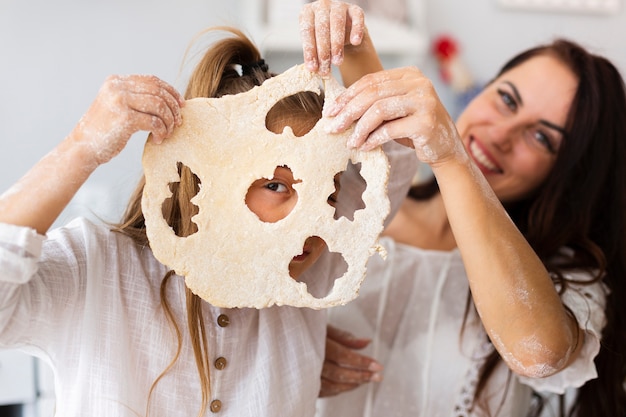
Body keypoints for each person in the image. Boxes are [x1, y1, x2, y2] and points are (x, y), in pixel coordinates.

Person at [0, 9, 418, 417]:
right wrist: (82, 146)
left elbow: (391, 163)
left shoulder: (311, 273)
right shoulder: (99, 269)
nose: (311, 219)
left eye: (329, 194)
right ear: (211, 181)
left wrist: (351, 43)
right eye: (276, 186)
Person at [301, 1, 626, 416]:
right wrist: (293, 343)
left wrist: (453, 157)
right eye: (507, 99)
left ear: (569, 175)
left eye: (542, 138)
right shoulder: (345, 209)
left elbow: (540, 353)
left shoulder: (568, 277)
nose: (502, 134)